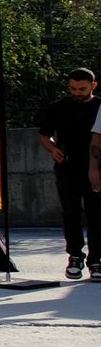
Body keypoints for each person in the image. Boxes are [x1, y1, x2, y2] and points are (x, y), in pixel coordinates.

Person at [37, 67, 99, 279]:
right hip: (68, 168)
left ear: (93, 86)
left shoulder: (99, 107)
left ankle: (96, 260)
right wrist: (53, 149)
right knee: (70, 213)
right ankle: (74, 256)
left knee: (96, 213)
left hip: (96, 169)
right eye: (73, 88)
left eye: (82, 89)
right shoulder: (58, 107)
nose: (77, 93)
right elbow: (44, 135)